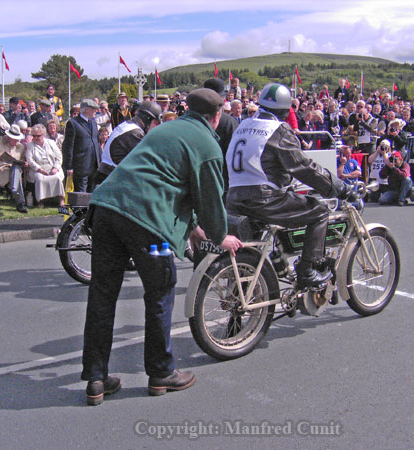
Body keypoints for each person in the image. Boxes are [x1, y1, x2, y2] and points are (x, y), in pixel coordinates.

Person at [81, 88, 242, 404]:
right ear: (218, 115)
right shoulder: (208, 144)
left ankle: (96, 379)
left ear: (186, 109)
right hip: (147, 229)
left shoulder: (165, 128)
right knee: (161, 288)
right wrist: (217, 234)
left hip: (106, 212)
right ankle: (161, 372)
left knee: (102, 293)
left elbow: (166, 180)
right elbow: (210, 200)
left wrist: (193, 227)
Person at [226, 82, 351, 289]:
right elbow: (303, 166)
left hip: (234, 196)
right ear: (286, 110)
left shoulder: (244, 125)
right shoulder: (277, 129)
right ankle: (307, 271)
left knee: (256, 244)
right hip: (262, 198)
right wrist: (336, 187)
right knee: (319, 210)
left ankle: (246, 281)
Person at [94, 101, 162, 186]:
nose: (156, 127)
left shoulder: (127, 125)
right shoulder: (135, 133)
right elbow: (145, 162)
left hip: (108, 176)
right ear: (147, 119)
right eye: (156, 123)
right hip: (112, 180)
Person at [0, 124, 29, 213]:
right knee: (17, 176)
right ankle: (20, 202)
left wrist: (25, 163)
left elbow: (23, 159)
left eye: (17, 139)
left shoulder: (20, 146)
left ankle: (13, 190)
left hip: (14, 171)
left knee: (16, 167)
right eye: (15, 138)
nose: (17, 140)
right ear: (9, 137)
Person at [62, 99, 102, 193]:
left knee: (91, 192)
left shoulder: (93, 123)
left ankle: (89, 208)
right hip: (80, 165)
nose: (96, 111)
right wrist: (69, 166)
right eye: (94, 109)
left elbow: (96, 143)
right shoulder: (73, 123)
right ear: (87, 109)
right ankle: (81, 208)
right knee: (81, 195)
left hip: (94, 165)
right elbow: (68, 146)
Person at [26, 124, 65, 207]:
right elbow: (30, 160)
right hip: (38, 169)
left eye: (38, 136)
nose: (36, 138)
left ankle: (61, 199)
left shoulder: (51, 143)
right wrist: (40, 169)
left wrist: (55, 168)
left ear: (43, 135)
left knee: (57, 177)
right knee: (39, 178)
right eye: (34, 136)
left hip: (52, 167)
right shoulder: (30, 146)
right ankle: (41, 201)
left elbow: (59, 156)